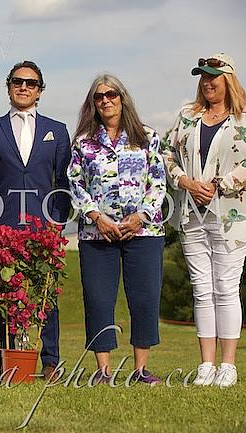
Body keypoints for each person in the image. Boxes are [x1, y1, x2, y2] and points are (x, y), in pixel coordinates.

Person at [0, 60, 71, 380]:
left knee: (46, 294)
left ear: (40, 90)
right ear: (8, 87)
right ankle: (8, 360)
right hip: (5, 227)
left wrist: (57, 222)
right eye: (18, 82)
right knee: (7, 295)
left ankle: (50, 361)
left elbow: (63, 182)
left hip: (45, 227)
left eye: (31, 83)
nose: (24, 87)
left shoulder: (58, 131)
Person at [67, 74, 166, 384]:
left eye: (111, 94)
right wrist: (97, 218)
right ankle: (103, 370)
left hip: (143, 233)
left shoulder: (147, 137)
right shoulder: (83, 143)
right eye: (98, 97)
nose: (105, 100)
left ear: (123, 98)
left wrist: (141, 216)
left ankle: (141, 370)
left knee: (145, 299)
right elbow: (75, 183)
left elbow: (158, 181)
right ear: (93, 103)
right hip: (97, 234)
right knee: (98, 300)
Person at [163, 53, 246, 388]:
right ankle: (206, 365)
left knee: (225, 287)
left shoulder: (242, 119)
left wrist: (220, 184)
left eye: (213, 77)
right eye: (203, 77)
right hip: (191, 213)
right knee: (202, 289)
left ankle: (228, 365)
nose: (207, 83)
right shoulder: (187, 116)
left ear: (228, 79)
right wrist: (185, 181)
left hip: (231, 215)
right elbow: (167, 155)